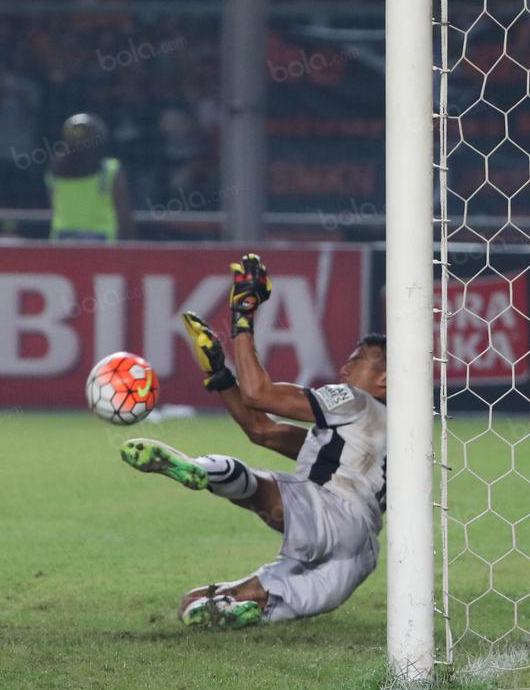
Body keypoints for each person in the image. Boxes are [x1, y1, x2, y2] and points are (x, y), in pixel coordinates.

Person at [119, 254, 387, 628]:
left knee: (255, 486)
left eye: (357, 361)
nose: (344, 369)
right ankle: (249, 608)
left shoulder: (354, 400)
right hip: (358, 551)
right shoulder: (377, 435)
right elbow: (262, 430)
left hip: (324, 511)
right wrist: (220, 375)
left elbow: (260, 394)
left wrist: (242, 317)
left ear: (385, 380)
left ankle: (202, 470)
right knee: (200, 603)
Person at [46, 113, 134, 241]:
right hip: (101, 248)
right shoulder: (111, 170)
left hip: (62, 246)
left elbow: (53, 207)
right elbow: (124, 215)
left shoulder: (54, 172)